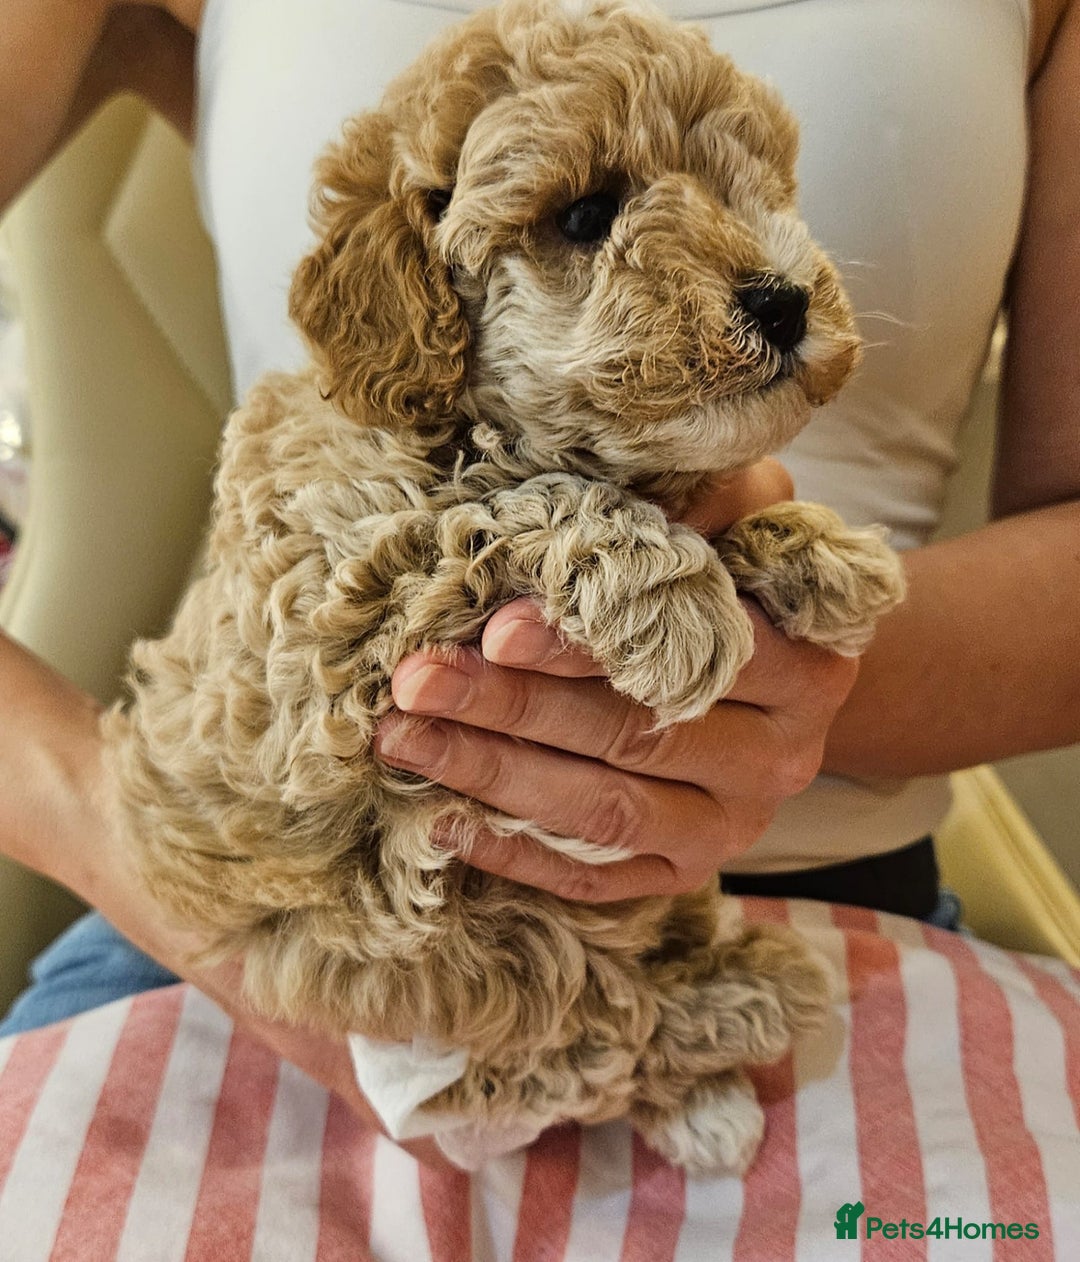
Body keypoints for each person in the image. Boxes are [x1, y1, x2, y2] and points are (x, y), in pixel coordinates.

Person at [0, 0, 1077, 1162]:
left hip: (812, 901)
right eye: (587, 216)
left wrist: (785, 667)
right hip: (262, 910)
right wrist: (169, 864)